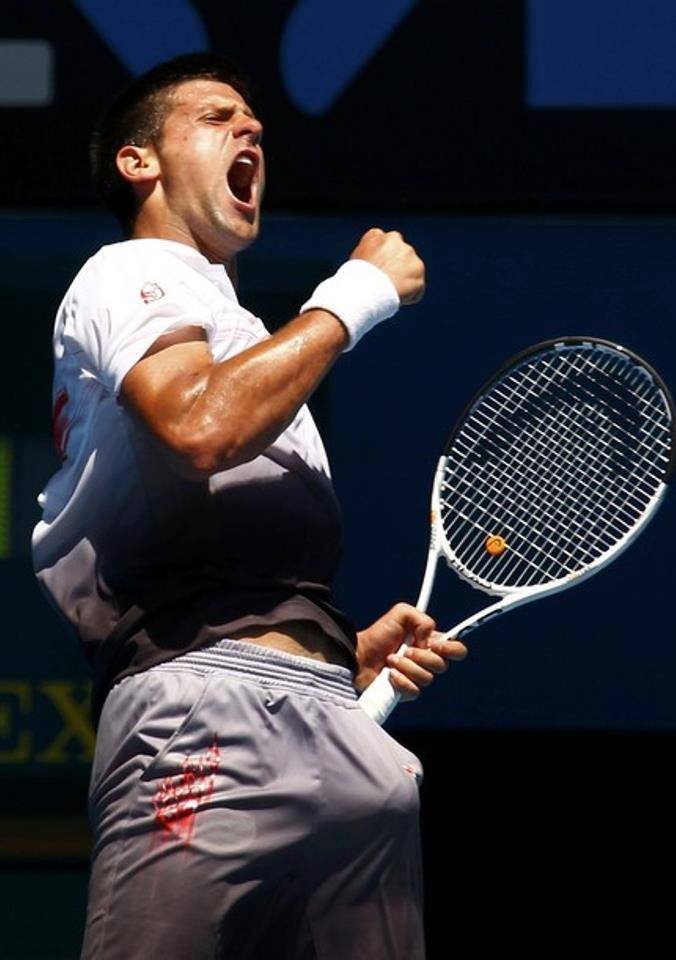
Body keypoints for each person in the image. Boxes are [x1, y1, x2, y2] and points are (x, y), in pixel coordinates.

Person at [32, 53, 467, 959]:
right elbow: (199, 428)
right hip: (201, 720)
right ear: (139, 162)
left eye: (254, 123)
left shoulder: (244, 340)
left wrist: (333, 655)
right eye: (215, 116)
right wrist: (355, 296)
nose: (252, 130)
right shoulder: (127, 270)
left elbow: (234, 548)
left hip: (339, 733)